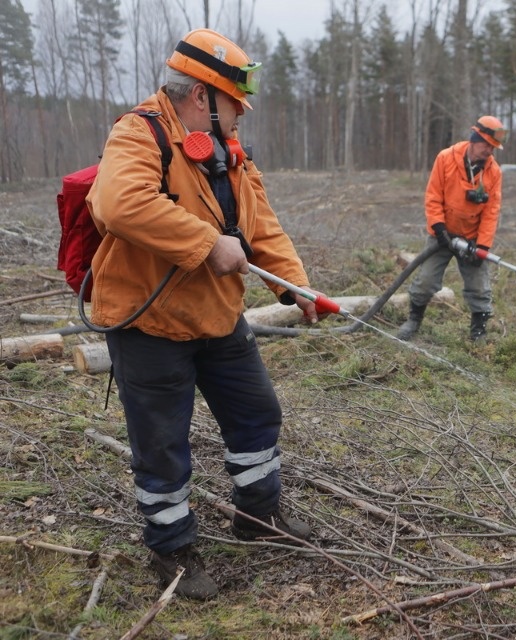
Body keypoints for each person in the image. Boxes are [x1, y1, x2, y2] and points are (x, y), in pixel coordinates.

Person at [87, 28, 328, 600]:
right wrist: (206, 243)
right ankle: (171, 551)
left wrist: (296, 285)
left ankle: (258, 517)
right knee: (162, 444)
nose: (240, 115)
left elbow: (260, 225)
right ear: (201, 96)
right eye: (233, 104)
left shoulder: (229, 151)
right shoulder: (138, 132)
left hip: (218, 318)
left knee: (257, 413)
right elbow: (118, 202)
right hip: (148, 324)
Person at [397, 116, 507, 342]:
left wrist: (483, 246)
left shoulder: (493, 172)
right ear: (474, 139)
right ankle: (414, 320)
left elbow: (491, 211)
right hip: (442, 235)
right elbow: (433, 196)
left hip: (472, 238)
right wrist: (439, 228)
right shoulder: (446, 158)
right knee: (425, 280)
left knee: (479, 287)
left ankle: (479, 332)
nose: (489, 150)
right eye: (486, 145)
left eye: (493, 147)